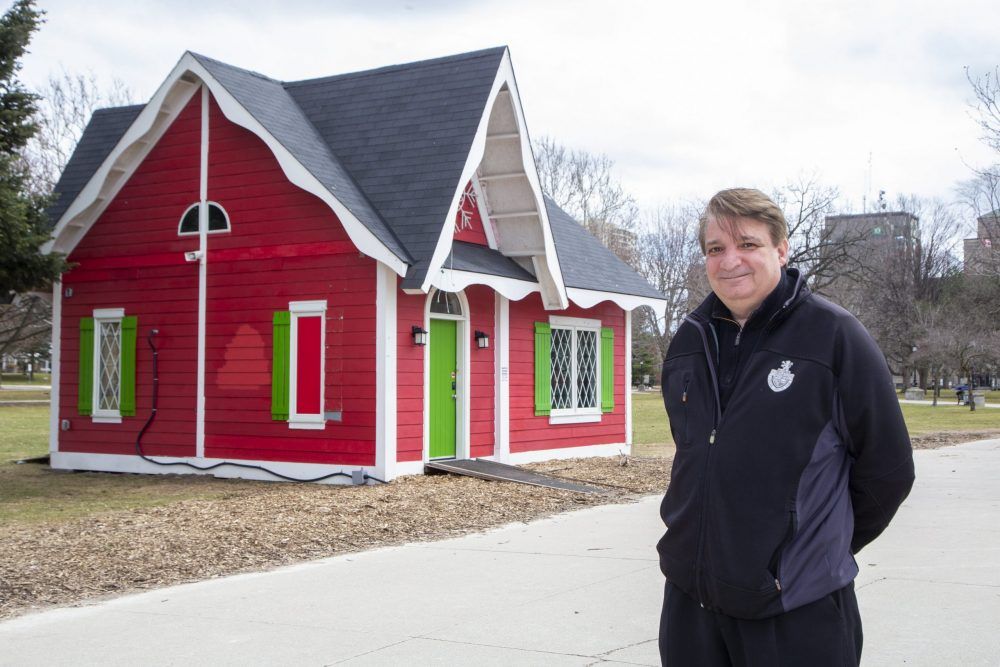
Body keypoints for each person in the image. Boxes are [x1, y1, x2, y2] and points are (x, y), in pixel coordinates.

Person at [657, 188, 914, 665]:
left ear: (781, 249)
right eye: (716, 249)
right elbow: (695, 455)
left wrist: (809, 551)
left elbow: (888, 471)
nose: (730, 260)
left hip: (796, 608)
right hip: (691, 602)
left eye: (747, 244)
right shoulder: (688, 342)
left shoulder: (833, 336)